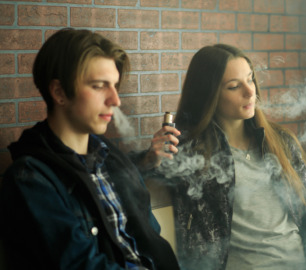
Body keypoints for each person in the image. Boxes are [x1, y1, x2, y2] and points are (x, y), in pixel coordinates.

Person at [148, 44, 306, 270]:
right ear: (209, 95)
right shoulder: (192, 152)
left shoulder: (280, 141)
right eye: (234, 86)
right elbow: (127, 175)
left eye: (250, 79)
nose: (250, 92)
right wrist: (149, 158)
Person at [0, 28, 179, 270]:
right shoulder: (30, 180)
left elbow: (151, 240)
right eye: (99, 86)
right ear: (59, 92)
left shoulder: (110, 160)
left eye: (115, 85)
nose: (115, 100)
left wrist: (149, 159)